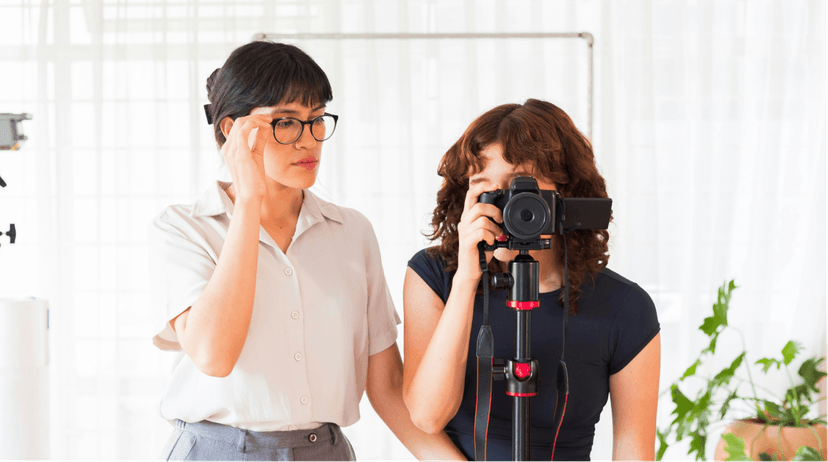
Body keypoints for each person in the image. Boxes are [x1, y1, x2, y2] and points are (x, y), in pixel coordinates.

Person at [148, 41, 465, 461]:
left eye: (317, 119)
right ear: (231, 130)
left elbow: (386, 387)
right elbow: (214, 355)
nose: (309, 140)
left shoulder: (351, 232)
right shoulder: (183, 229)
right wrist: (248, 201)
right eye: (286, 122)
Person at [402, 99, 661, 461]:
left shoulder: (625, 308)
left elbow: (634, 452)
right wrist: (466, 280)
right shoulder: (433, 277)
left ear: (564, 196)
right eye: (485, 189)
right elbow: (427, 417)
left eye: (518, 189)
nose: (501, 209)